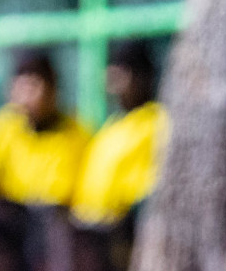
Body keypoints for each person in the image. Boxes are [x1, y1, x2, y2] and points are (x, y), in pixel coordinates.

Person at [0, 49, 91, 209]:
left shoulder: (74, 133)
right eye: (21, 87)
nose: (26, 96)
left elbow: (63, 193)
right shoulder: (6, 126)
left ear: (52, 89)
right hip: (12, 220)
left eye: (34, 86)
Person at [72, 39, 168, 230]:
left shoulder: (157, 121)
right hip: (93, 231)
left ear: (141, 76)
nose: (114, 80)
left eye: (122, 72)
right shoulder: (113, 125)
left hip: (127, 229)